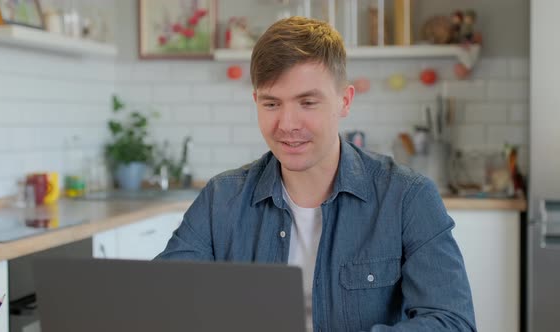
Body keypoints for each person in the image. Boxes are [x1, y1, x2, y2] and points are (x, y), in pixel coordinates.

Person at [156, 16, 476, 332]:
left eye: (307, 102)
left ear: (344, 101)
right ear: (256, 102)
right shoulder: (221, 199)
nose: (288, 124)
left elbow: (451, 322)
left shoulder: (408, 197)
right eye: (271, 104)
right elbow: (162, 302)